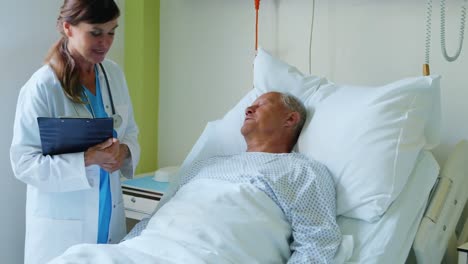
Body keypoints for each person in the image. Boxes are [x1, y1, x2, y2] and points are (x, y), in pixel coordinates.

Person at [50, 92, 340, 263]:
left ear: (291, 119)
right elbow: (153, 222)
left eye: (263, 104)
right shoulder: (206, 165)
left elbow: (317, 243)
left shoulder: (302, 171)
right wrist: (124, 251)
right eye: (251, 103)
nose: (249, 108)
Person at [10, 1, 140, 263]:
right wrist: (87, 159)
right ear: (68, 28)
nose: (105, 42)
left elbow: (131, 132)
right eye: (95, 32)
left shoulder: (113, 74)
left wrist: (123, 151)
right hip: (63, 230)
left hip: (109, 218)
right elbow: (23, 164)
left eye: (112, 32)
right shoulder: (42, 87)